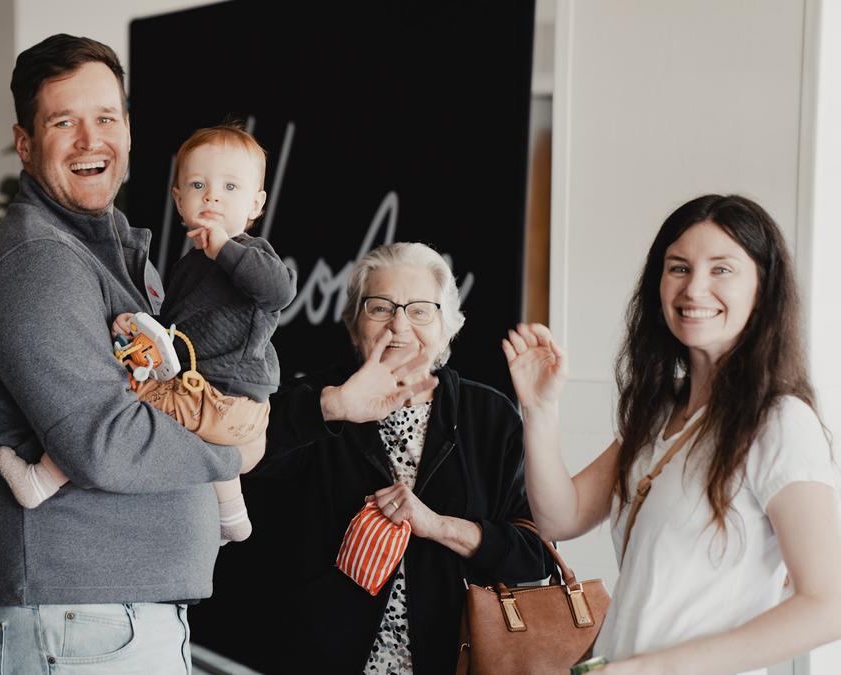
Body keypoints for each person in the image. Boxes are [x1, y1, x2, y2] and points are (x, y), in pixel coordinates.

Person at [0, 35, 255, 672]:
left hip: (102, 620)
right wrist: (235, 446)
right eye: (64, 122)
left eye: (106, 118)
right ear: (26, 143)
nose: (92, 141)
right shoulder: (39, 261)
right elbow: (104, 442)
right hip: (76, 624)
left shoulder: (109, 246)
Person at [503, 194, 841, 674]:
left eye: (721, 269)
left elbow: (827, 606)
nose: (694, 289)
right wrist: (540, 409)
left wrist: (653, 668)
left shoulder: (779, 421)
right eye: (678, 268)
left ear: (763, 288)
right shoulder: (659, 412)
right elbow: (562, 517)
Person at [201, 242, 549, 673]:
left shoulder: (491, 416)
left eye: (420, 310)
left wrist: (439, 527)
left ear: (448, 326)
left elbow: (533, 557)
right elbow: (232, 457)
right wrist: (332, 407)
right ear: (355, 323)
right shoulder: (317, 401)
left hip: (453, 661)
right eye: (380, 308)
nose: (399, 324)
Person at [0, 123, 296, 544]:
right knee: (176, 419)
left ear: (256, 205)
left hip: (223, 397)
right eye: (197, 184)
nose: (212, 195)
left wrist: (227, 248)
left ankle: (42, 479)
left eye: (231, 187)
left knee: (118, 404)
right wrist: (137, 331)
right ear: (178, 198)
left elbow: (278, 291)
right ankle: (232, 514)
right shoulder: (190, 266)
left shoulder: (251, 253)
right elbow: (178, 338)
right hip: (210, 400)